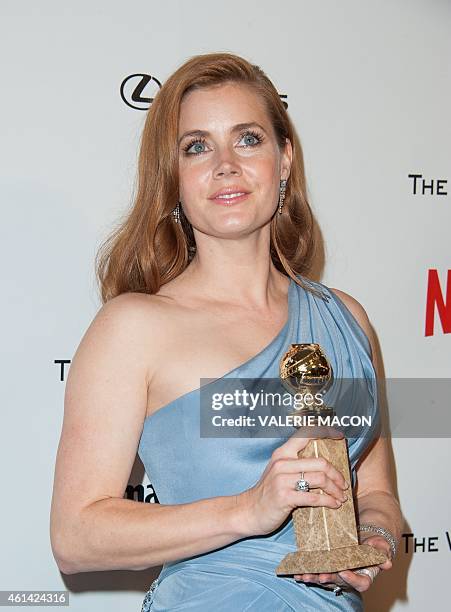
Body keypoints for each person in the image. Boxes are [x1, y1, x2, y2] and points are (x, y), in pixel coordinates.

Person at [50, 52, 403, 611]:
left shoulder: (346, 319)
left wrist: (373, 539)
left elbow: (377, 492)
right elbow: (76, 537)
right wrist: (247, 509)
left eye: (247, 139)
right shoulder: (134, 328)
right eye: (197, 147)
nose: (225, 165)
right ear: (174, 178)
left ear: (284, 159)